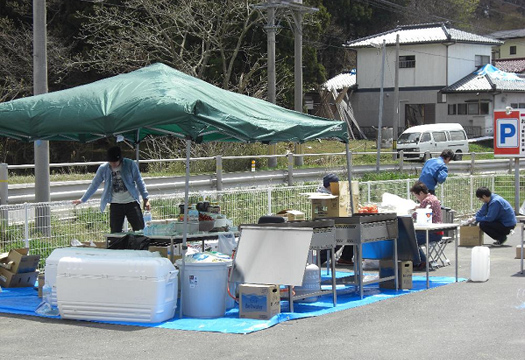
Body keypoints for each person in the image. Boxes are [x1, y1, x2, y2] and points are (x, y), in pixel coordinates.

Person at [73, 146, 151, 233]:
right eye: (111, 162)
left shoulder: (130, 164)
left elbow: (139, 181)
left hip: (132, 202)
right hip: (115, 204)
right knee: (115, 233)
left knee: (139, 230)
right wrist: (83, 199)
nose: (113, 164)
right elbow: (94, 184)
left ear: (120, 159)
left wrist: (146, 199)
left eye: (115, 162)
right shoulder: (104, 168)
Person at [317, 174, 354, 266]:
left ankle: (346, 257)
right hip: (325, 224)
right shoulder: (323, 195)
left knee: (353, 233)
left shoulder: (333, 193)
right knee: (339, 240)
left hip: (335, 222)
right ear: (330, 185)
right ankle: (318, 261)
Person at [410, 181, 443, 270]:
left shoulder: (426, 201)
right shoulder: (433, 198)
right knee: (412, 239)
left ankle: (422, 261)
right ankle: (420, 261)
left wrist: (412, 211)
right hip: (437, 231)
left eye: (415, 195)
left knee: (410, 241)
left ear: (421, 193)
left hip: (431, 232)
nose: (416, 198)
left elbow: (416, 215)